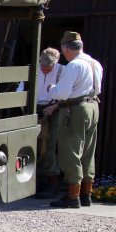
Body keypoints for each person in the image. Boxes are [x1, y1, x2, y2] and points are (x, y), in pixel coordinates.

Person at [43, 31, 102, 208]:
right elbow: (98, 88)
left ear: (66, 50)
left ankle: (72, 196)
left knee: (71, 151)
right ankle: (86, 194)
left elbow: (62, 93)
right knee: (88, 151)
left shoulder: (73, 66)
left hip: (76, 109)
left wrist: (51, 88)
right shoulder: (95, 63)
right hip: (93, 106)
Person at [28, 48, 63, 198]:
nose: (44, 68)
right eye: (42, 64)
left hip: (54, 110)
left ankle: (52, 182)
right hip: (35, 109)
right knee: (33, 146)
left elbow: (68, 94)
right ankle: (37, 181)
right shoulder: (33, 69)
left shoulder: (62, 71)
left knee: (49, 146)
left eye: (48, 66)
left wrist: (55, 107)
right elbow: (22, 87)